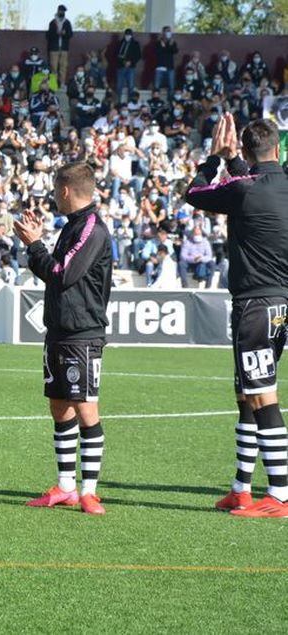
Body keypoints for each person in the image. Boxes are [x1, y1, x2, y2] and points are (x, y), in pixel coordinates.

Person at [185, 114, 288, 517]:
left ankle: (279, 494)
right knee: (246, 392)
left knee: (263, 395)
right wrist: (236, 163)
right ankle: (241, 487)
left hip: (255, 305)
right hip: (280, 303)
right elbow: (253, 182)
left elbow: (195, 193)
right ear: (277, 148)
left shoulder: (242, 189)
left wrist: (214, 158)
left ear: (245, 150)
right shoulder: (267, 184)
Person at [13, 162, 113, 515]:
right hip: (59, 331)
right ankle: (66, 487)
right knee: (59, 406)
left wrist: (35, 244)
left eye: (56, 191)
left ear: (66, 191)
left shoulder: (91, 228)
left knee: (87, 409)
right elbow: (54, 273)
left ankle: (89, 491)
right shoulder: (73, 226)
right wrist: (37, 246)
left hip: (83, 334)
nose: (55, 197)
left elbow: (62, 273)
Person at [45, 5, 73, 85]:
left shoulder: (67, 22)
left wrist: (64, 33)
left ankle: (62, 83)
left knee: (63, 67)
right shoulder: (53, 22)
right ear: (58, 11)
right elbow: (48, 35)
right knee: (53, 66)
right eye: (61, 11)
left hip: (64, 48)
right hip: (54, 48)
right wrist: (56, 33)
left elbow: (70, 34)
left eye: (64, 11)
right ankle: (54, 83)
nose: (62, 12)